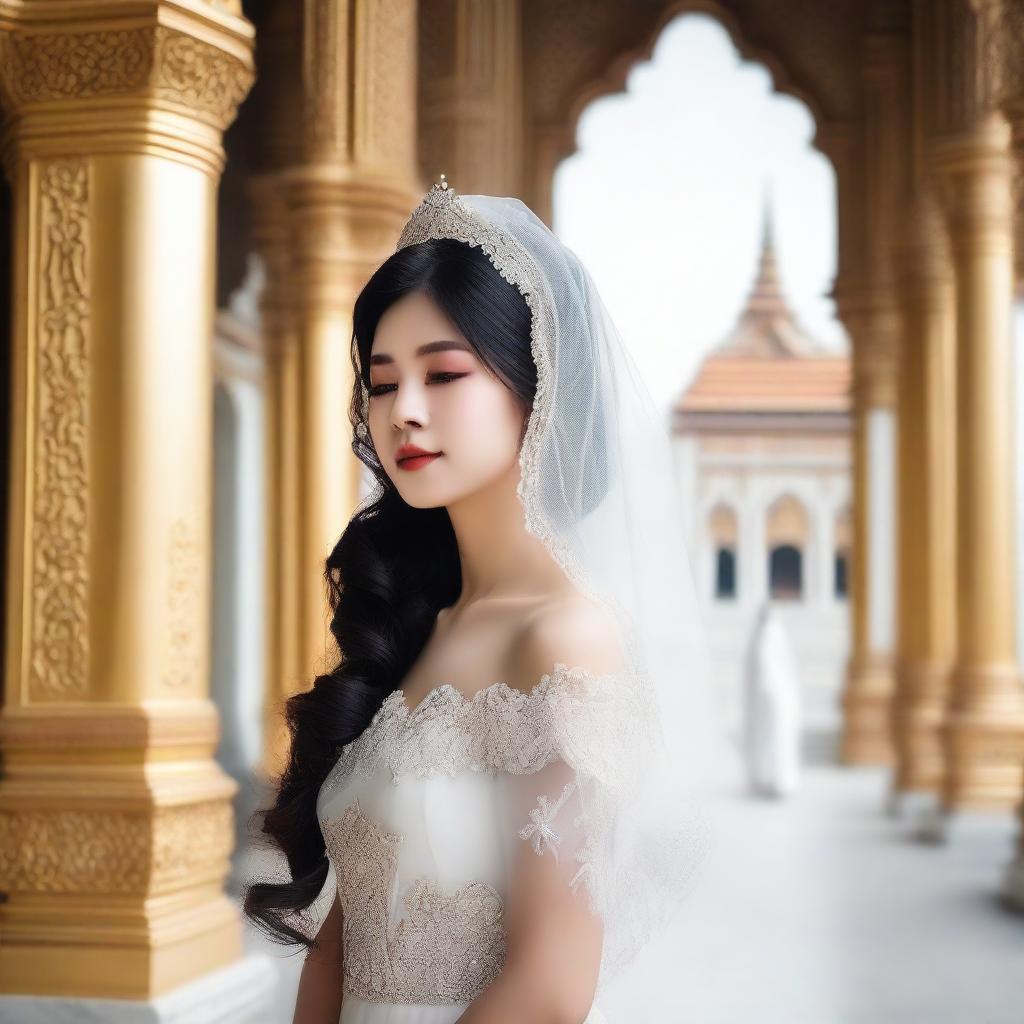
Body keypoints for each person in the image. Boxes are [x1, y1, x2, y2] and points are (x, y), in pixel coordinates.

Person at [243, 177, 723, 1023]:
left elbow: (549, 985)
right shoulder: (414, 626)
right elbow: (343, 937)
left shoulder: (565, 640)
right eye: (384, 384)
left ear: (533, 391)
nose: (406, 414)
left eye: (446, 374)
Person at [743, 600, 802, 798]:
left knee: (778, 740)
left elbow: (768, 668)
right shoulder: (770, 633)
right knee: (776, 740)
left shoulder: (768, 633)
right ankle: (775, 781)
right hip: (775, 698)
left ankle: (779, 782)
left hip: (775, 699)